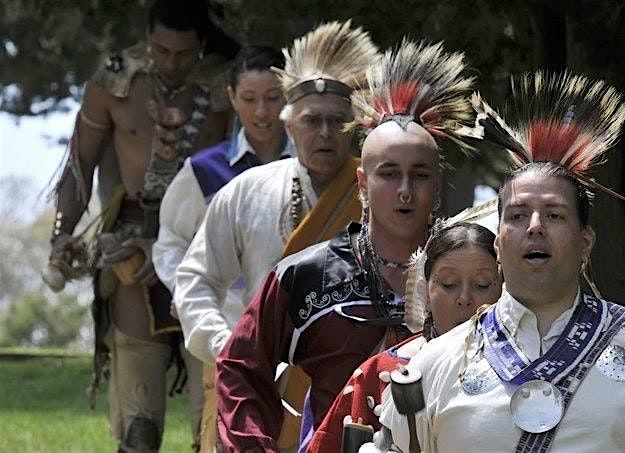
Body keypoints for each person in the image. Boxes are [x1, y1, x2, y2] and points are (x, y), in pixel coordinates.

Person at [380, 71, 625, 452]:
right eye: (517, 216)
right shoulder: (432, 367)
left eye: (554, 215)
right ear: (498, 244)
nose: (534, 227)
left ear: (586, 242)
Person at [214, 39, 475, 452]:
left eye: (420, 175)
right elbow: (240, 368)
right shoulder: (305, 276)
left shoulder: (474, 271)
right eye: (389, 174)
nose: (405, 190)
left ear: (437, 185)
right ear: (362, 184)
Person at [173, 20, 377, 449]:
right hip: (259, 388)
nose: (324, 132)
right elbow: (195, 279)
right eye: (312, 121)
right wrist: (228, 345)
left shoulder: (384, 191)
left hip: (357, 394)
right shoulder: (247, 192)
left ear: (355, 126)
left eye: (336, 122)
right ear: (290, 127)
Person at [44, 0, 237, 451]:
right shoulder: (114, 79)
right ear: (148, 40)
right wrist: (61, 235)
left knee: (210, 421)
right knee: (139, 428)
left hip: (208, 246)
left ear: (202, 45)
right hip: (130, 248)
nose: (171, 63)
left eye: (183, 54)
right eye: (161, 51)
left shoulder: (230, 85)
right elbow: (79, 162)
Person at [152, 45, 292, 452]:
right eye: (249, 99)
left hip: (295, 339)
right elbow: (171, 244)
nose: (262, 112)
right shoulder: (204, 170)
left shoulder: (314, 165)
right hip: (221, 334)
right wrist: (187, 293)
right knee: (215, 434)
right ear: (231, 98)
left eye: (272, 97)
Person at [307, 219, 502, 453]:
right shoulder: (378, 374)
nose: (464, 298)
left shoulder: (529, 367)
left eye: (482, 285)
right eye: (448, 284)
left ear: (503, 289)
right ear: (426, 292)